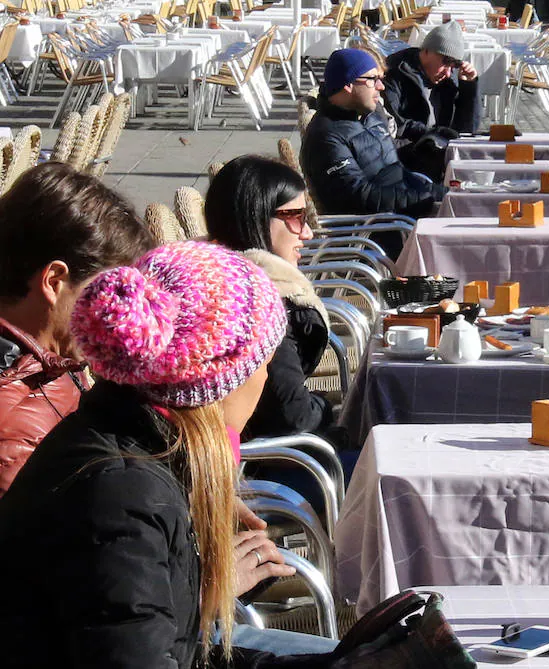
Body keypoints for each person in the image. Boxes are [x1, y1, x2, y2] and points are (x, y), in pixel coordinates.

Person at [0, 241, 337, 666]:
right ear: (220, 382)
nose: (267, 377)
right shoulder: (121, 494)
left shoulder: (137, 440)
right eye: (263, 363)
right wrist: (204, 586)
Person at [0, 162, 155, 497]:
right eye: (108, 294)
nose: (121, 316)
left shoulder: (50, 362)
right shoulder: (16, 434)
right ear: (54, 282)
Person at [205, 155, 341, 444]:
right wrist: (328, 406)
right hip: (273, 463)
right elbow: (293, 418)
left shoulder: (215, 276)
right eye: (296, 217)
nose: (307, 232)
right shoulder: (260, 302)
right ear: (255, 216)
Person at [300, 49, 446, 228]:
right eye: (372, 80)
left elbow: (397, 172)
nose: (381, 87)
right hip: (379, 231)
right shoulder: (325, 137)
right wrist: (426, 200)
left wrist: (442, 194)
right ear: (348, 84)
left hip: (403, 215)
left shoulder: (369, 116)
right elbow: (360, 197)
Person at [382, 20, 480, 144]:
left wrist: (469, 87)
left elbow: (467, 130)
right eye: (445, 62)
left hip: (439, 147)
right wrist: (433, 134)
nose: (448, 72)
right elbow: (395, 123)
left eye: (453, 66)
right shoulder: (396, 71)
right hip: (408, 148)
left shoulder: (448, 80)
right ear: (426, 51)